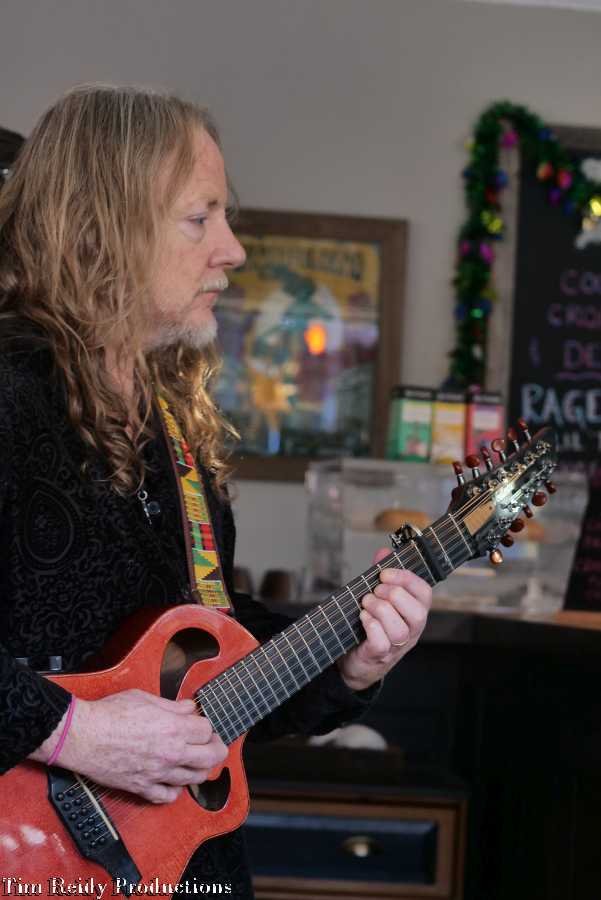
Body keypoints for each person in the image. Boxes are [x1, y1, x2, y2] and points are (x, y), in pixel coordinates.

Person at [0, 85, 433, 898]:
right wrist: (70, 732)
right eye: (200, 219)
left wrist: (349, 664)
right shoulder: (11, 394)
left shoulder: (172, 424)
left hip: (181, 868)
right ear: (100, 227)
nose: (232, 250)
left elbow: (212, 674)